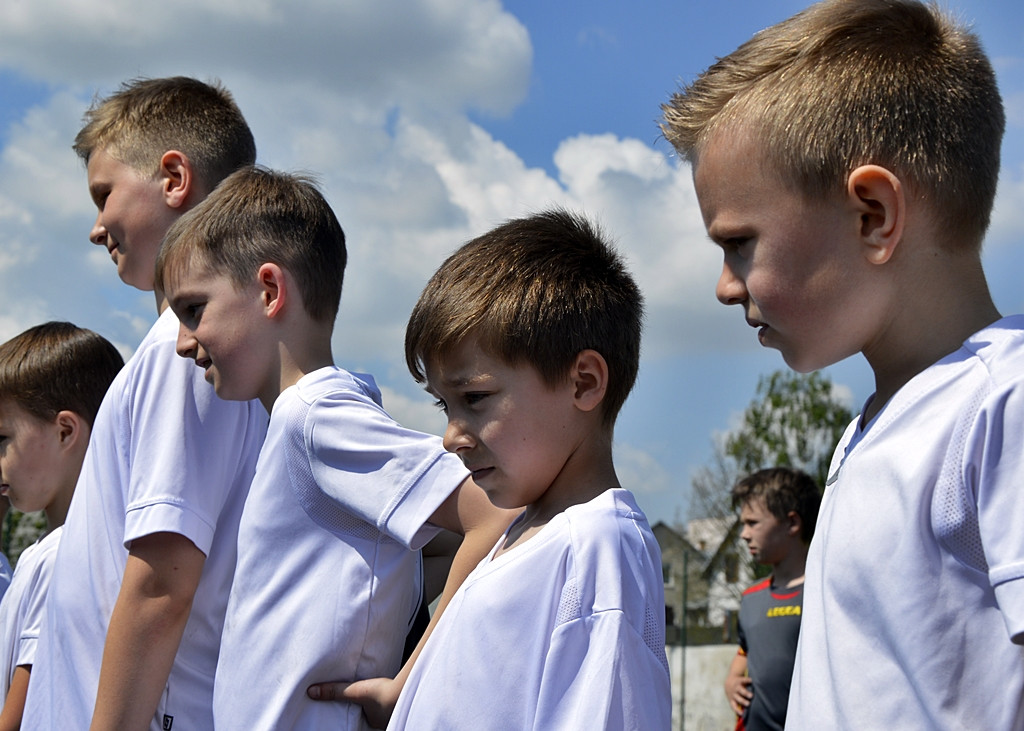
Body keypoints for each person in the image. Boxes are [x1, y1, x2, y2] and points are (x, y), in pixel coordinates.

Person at [661, 0, 1024, 727]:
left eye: (739, 243)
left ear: (873, 217)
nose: (725, 286)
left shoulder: (1003, 406)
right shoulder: (875, 426)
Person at [154, 165, 515, 730]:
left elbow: (491, 510)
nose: (180, 343)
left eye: (193, 309)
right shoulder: (302, 422)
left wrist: (411, 681)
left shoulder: (316, 418)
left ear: (270, 290)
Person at [336, 209, 671, 729]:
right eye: (444, 407)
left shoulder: (597, 549)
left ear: (583, 383)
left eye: (475, 398)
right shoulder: (524, 533)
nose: (451, 437)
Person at [22, 77, 268, 730]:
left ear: (173, 176)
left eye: (105, 195)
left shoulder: (179, 353)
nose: (96, 226)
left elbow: (163, 581)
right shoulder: (203, 348)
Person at [0, 322, 124, 730]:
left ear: (65, 431)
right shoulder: (67, 549)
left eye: (2, 439)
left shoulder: (61, 558)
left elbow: (16, 717)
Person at [724, 467, 820, 731]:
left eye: (752, 523)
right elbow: (745, 653)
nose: (744, 534)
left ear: (792, 523)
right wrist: (731, 681)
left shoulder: (824, 594)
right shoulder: (751, 598)